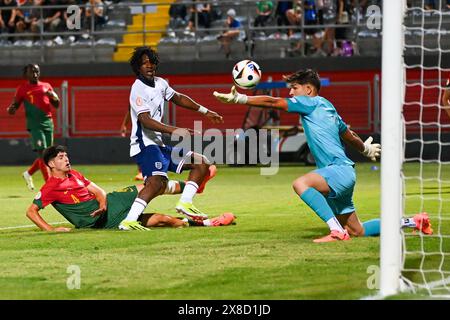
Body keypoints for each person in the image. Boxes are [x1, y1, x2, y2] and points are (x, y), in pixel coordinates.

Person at [213, 69, 432, 242]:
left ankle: (336, 232)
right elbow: (348, 134)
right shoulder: (328, 107)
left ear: (308, 90)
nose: (291, 93)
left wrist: (239, 99)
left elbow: (272, 103)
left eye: (294, 88)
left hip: (336, 171)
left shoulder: (310, 102)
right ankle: (414, 221)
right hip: (343, 173)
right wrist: (364, 149)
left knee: (301, 184)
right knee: (359, 230)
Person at [120, 46, 223, 231]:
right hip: (145, 144)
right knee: (156, 182)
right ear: (138, 67)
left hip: (158, 144)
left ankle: (184, 203)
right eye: (144, 63)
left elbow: (179, 98)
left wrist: (205, 111)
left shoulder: (160, 83)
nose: (149, 66)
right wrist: (175, 130)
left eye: (151, 62)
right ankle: (129, 220)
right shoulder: (137, 88)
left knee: (201, 162)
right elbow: (145, 121)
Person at [25, 145, 234, 232]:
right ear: (51, 164)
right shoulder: (50, 187)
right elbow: (31, 211)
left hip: (108, 208)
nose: (66, 159)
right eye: (60, 158)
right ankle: (194, 187)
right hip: (95, 221)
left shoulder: (75, 174)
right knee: (150, 185)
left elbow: (99, 191)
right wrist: (51, 230)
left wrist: (102, 203)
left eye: (66, 156)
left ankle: (207, 223)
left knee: (163, 219)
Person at [120, 106, 217, 183]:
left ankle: (193, 184)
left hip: (155, 142)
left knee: (156, 185)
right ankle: (192, 184)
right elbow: (131, 110)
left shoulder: (159, 89)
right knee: (156, 183)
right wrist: (124, 125)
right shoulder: (139, 95)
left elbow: (177, 97)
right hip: (146, 141)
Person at [6, 63, 59, 191]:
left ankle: (28, 173)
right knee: (42, 153)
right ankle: (50, 184)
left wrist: (54, 97)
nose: (35, 74)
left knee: (47, 154)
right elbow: (13, 107)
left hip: (48, 123)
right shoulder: (22, 88)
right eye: (32, 72)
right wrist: (10, 109)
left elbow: (56, 104)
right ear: (26, 74)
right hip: (35, 125)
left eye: (37, 71)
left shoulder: (46, 86)